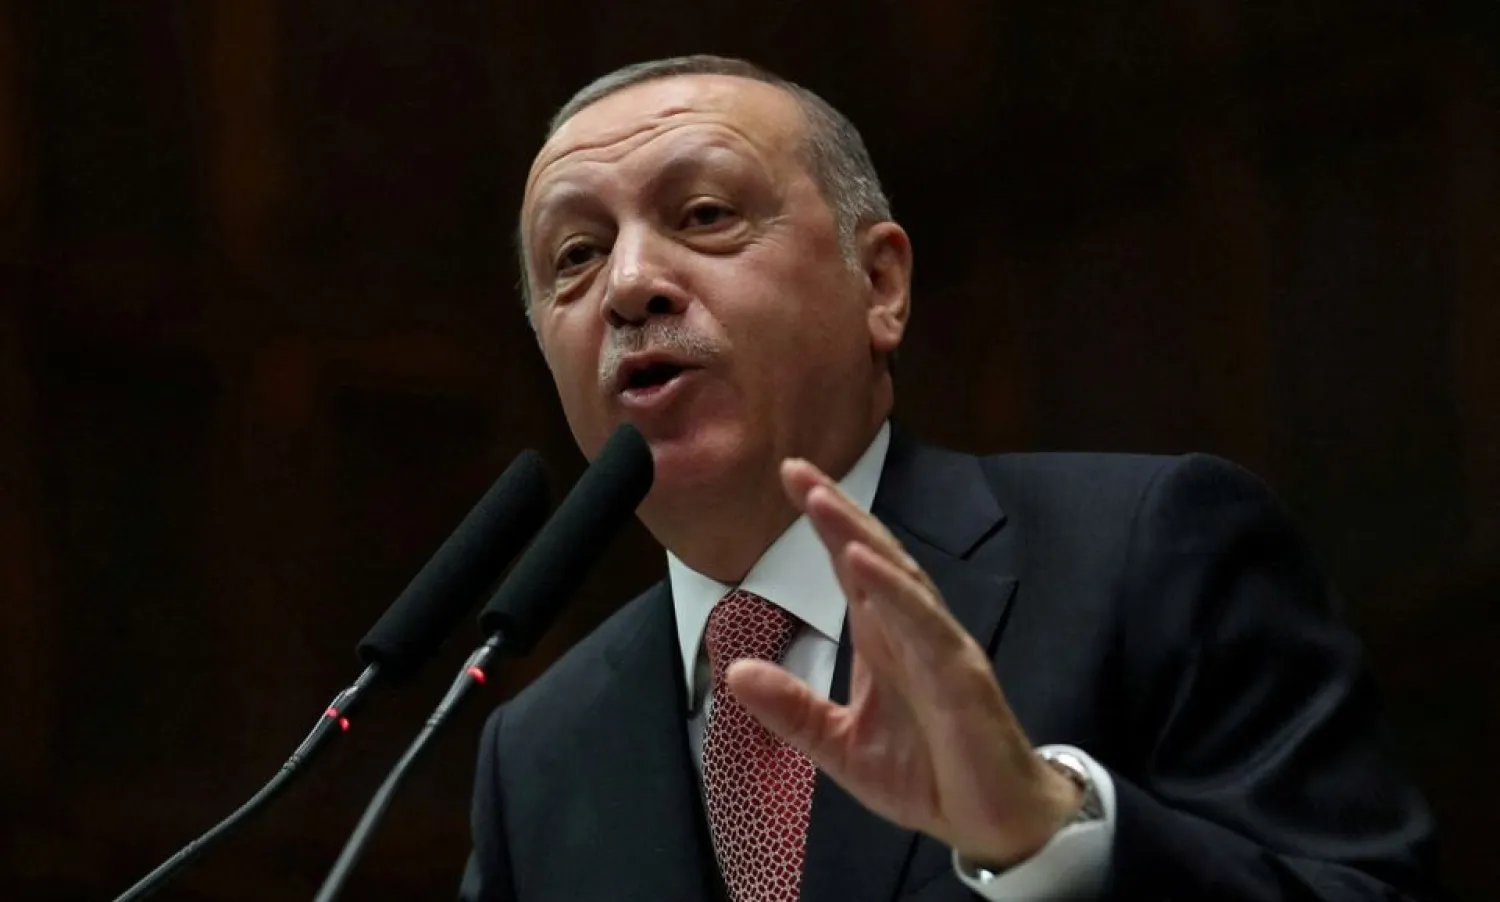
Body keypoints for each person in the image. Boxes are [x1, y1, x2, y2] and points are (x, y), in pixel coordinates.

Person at [459, 55, 1444, 901]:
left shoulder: (1148, 549)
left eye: (706, 213)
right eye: (576, 254)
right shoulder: (538, 750)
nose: (630, 283)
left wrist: (1050, 838)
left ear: (880, 284)